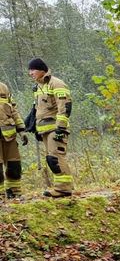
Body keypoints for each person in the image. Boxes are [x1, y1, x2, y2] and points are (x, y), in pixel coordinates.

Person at [27, 58, 73, 198]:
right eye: (29, 71)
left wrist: (61, 128)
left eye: (32, 70)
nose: (30, 73)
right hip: (45, 130)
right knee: (50, 159)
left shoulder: (56, 83)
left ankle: (63, 189)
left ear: (42, 70)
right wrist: (35, 126)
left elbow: (65, 107)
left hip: (56, 129)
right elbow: (39, 109)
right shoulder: (39, 87)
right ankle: (61, 188)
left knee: (56, 158)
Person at [0, 80, 27, 200]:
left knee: (14, 165)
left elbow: (13, 110)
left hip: (9, 136)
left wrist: (21, 130)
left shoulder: (3, 88)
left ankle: (14, 192)